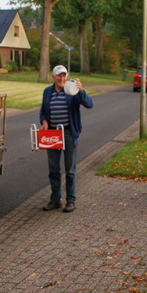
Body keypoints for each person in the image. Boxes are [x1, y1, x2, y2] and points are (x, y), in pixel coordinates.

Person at [39, 65, 94, 213]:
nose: (62, 78)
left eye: (64, 76)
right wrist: (44, 122)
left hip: (69, 133)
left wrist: (81, 90)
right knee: (53, 169)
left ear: (67, 77)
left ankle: (71, 201)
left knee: (70, 169)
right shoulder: (47, 92)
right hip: (52, 134)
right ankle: (55, 200)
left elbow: (89, 104)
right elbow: (43, 112)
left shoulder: (72, 90)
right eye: (59, 76)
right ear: (53, 77)